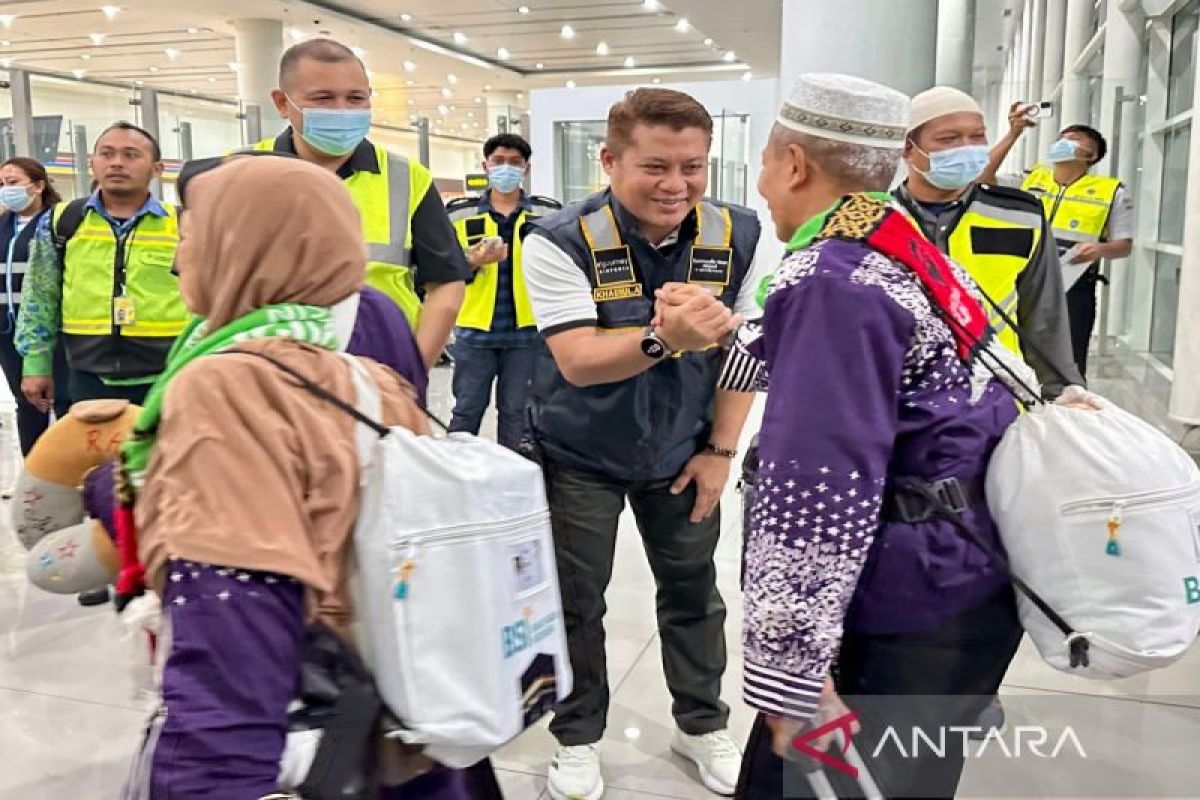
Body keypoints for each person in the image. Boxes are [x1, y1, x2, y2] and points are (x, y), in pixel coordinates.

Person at [120, 154, 502, 799]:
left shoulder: (226, 385)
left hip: (301, 731)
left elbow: (232, 633)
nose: (181, 257)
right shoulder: (368, 374)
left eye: (194, 234)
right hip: (395, 724)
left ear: (241, 247)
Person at [731, 73, 1023, 800]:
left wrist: (792, 671)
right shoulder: (898, 243)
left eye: (767, 161)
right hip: (965, 574)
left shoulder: (831, 278)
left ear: (793, 162)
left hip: (894, 609)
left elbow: (821, 485)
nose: (763, 182)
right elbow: (881, 375)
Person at [521, 87, 763, 800]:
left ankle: (701, 722)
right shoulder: (559, 239)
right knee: (576, 602)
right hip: (578, 455)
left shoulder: (736, 234)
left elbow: (743, 355)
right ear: (609, 160)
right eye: (655, 166)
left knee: (694, 592)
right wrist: (665, 339)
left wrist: (720, 453)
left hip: (683, 451)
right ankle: (576, 737)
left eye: (693, 166)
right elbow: (577, 359)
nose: (676, 185)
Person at [252, 37, 471, 371]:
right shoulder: (240, 173)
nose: (343, 110)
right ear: (282, 103)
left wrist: (412, 373)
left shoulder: (406, 177)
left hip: (379, 371)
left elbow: (446, 283)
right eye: (323, 98)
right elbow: (200, 285)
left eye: (355, 98)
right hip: (267, 374)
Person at [892, 87, 1080, 395]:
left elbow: (1045, 318)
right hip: (905, 398)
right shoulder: (880, 221)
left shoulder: (1021, 215)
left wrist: (1064, 393)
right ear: (908, 149)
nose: (966, 148)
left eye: (977, 136)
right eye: (948, 139)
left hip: (1001, 396)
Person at [16, 122, 186, 407]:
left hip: (171, 374)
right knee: (94, 451)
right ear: (91, 163)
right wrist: (36, 364)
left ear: (157, 169)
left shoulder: (183, 223)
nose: (117, 163)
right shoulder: (63, 220)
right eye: (107, 154)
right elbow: (40, 294)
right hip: (87, 376)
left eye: (131, 155)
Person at [987, 114, 1134, 378]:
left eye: (1073, 140)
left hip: (1073, 284)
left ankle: (1068, 408)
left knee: (1069, 358)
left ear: (1091, 156)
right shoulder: (1030, 178)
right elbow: (982, 176)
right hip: (1022, 278)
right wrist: (1013, 132)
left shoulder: (1111, 191)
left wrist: (1100, 250)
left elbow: (1123, 245)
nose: (1063, 143)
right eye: (1061, 139)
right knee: (1012, 347)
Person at [445, 133, 561, 450]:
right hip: (475, 332)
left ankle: (512, 481)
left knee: (518, 414)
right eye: (498, 161)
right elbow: (442, 271)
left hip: (527, 332)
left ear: (526, 168)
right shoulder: (459, 214)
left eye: (514, 162)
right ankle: (457, 474)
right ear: (485, 165)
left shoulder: (548, 215)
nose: (506, 168)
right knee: (466, 410)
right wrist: (473, 260)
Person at [0, 157, 70, 454]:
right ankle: (35, 473)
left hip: (53, 331)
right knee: (26, 403)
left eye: (13, 183)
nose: (6, 190)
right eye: (2, 185)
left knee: (64, 399)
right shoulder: (2, 225)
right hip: (7, 330)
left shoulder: (56, 223)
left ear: (38, 185)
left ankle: (69, 471)